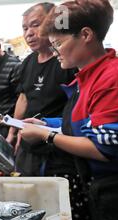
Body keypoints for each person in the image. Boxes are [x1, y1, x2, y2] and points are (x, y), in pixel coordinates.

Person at [20, 0, 118, 220]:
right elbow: (84, 124)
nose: (55, 50)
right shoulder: (88, 74)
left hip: (103, 191)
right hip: (85, 186)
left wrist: (47, 136)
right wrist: (48, 123)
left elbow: (102, 148)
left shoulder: (116, 79)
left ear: (85, 35)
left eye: (59, 43)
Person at [6, 2, 77, 176]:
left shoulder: (68, 62)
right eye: (25, 28)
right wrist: (13, 132)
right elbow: (24, 98)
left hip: (57, 150)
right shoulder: (28, 62)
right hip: (28, 146)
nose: (29, 33)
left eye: (35, 25)